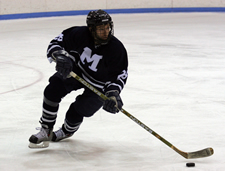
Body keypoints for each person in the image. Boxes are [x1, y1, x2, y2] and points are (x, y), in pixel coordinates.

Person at [28, 9, 128, 148]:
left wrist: (112, 94)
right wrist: (60, 55)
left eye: (107, 27)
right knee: (53, 89)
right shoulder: (79, 34)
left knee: (77, 111)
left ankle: (66, 131)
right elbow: (56, 43)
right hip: (77, 73)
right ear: (91, 29)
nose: (106, 32)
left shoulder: (116, 48)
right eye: (101, 29)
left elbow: (119, 75)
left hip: (99, 85)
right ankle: (46, 129)